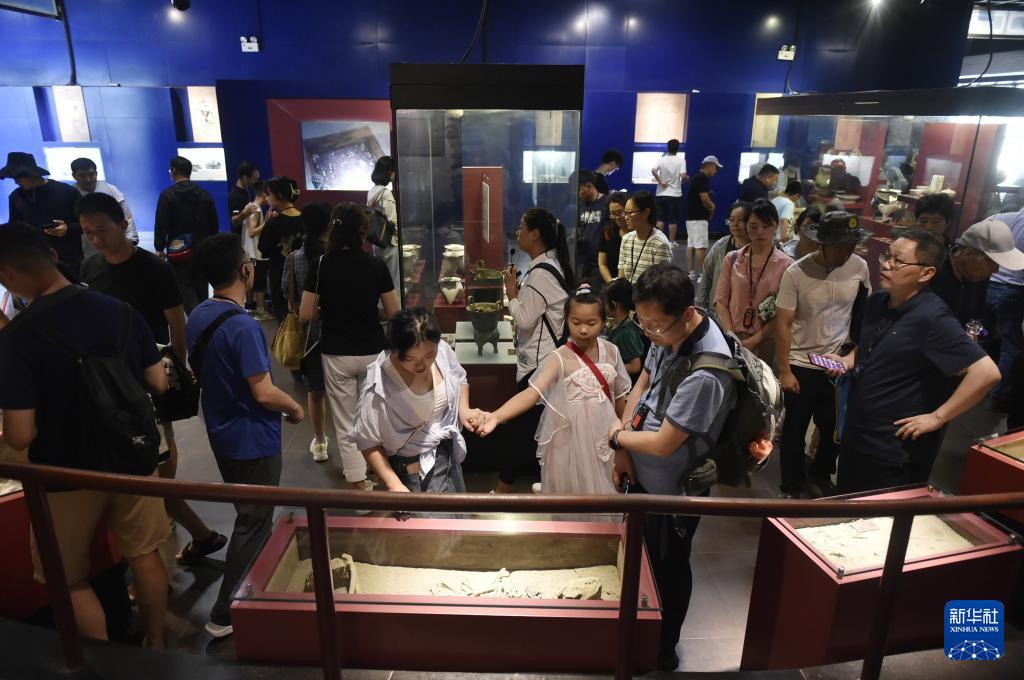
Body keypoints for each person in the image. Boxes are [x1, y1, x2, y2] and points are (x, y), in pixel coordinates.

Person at [0, 221, 170, 648]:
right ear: (53, 256)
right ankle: (156, 648)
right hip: (132, 456)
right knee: (145, 556)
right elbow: (158, 382)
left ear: (8, 275)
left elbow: (20, 434)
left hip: (65, 472)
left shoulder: (18, 337)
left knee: (67, 578)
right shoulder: (120, 311)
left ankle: (104, 662)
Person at [77, 191, 226, 561]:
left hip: (150, 371)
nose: (96, 239)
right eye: (88, 232)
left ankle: (178, 530)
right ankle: (191, 529)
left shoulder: (154, 268)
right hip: (108, 377)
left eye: (102, 230)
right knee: (142, 461)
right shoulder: (89, 268)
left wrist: (178, 364)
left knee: (156, 457)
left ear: (123, 224)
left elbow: (176, 320)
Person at [607, 262, 737, 671]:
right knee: (642, 559)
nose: (648, 333)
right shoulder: (665, 330)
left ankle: (663, 647)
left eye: (655, 326)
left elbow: (664, 444)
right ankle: (639, 631)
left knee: (669, 566)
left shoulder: (707, 370)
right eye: (642, 322)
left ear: (687, 313)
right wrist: (624, 445)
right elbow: (644, 382)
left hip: (674, 488)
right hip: (643, 473)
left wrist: (617, 438)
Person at [187, 233, 304, 639]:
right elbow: (264, 392)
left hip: (221, 430)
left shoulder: (200, 314)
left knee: (250, 513)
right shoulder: (242, 327)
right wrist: (294, 407)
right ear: (245, 270)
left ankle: (260, 586)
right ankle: (226, 613)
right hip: (252, 437)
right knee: (253, 521)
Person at [830, 230, 1000, 493]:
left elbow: (987, 373)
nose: (887, 264)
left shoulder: (933, 318)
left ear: (926, 273)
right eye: (887, 256)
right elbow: (870, 343)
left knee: (879, 516)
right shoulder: (878, 301)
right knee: (844, 506)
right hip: (857, 433)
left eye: (898, 261)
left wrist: (937, 417)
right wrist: (848, 360)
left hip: (892, 450)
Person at [479, 285, 631, 498]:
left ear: (604, 322)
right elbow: (531, 394)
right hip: (571, 442)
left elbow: (620, 399)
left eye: (591, 323)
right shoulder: (559, 357)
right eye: (576, 322)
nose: (583, 330)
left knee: (605, 490)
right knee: (573, 493)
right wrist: (496, 416)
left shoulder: (611, 352)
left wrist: (626, 438)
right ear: (566, 320)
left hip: (605, 435)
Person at [299, 203, 399, 489]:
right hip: (372, 350)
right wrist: (369, 311)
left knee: (345, 420)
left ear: (333, 229)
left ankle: (358, 481)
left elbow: (305, 313)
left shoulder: (321, 265)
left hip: (336, 351)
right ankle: (379, 471)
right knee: (373, 415)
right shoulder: (376, 265)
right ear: (362, 232)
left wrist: (331, 310)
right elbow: (393, 312)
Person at [774, 211, 871, 499]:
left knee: (832, 426)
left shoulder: (859, 267)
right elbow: (783, 323)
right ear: (822, 243)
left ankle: (821, 474)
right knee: (795, 428)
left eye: (850, 246)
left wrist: (853, 354)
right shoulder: (796, 272)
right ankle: (791, 485)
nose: (845, 253)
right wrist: (785, 370)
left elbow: (862, 315)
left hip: (836, 361)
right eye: (839, 246)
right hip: (801, 362)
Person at [350, 309, 485, 493]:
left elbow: (459, 377)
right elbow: (367, 442)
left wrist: (464, 410)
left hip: (447, 456)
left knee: (456, 509)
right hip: (412, 470)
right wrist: (393, 484)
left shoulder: (442, 350)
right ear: (395, 350)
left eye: (428, 355)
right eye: (410, 358)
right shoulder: (379, 388)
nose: (421, 364)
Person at [497, 207, 574, 494]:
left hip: (538, 365)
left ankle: (503, 490)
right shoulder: (551, 264)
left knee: (515, 429)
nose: (517, 231)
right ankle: (551, 482)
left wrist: (511, 293)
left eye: (522, 226)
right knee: (539, 428)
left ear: (535, 234)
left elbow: (523, 319)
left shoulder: (541, 274)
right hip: (545, 360)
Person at [714, 199, 793, 361]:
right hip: (731, 338)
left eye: (766, 226)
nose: (760, 232)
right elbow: (720, 300)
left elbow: (783, 313)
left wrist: (753, 341)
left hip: (765, 341)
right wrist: (731, 336)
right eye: (753, 226)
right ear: (746, 227)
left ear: (776, 226)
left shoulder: (787, 265)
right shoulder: (732, 258)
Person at [283, 202, 331, 462]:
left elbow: (286, 292)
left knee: (315, 392)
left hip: (309, 338)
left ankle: (320, 443)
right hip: (337, 334)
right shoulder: (334, 256)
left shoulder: (294, 258)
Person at [931, 218, 1024, 331]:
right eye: (992, 262)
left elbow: (977, 316)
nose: (996, 270)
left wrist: (974, 332)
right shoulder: (933, 272)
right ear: (968, 253)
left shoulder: (979, 278)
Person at [154, 156, 219, 313]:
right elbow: (213, 223)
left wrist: (159, 247)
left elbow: (161, 223)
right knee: (201, 285)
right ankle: (205, 317)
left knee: (184, 285)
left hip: (178, 250)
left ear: (174, 172)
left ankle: (197, 318)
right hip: (202, 247)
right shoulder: (204, 194)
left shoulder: (167, 195)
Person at [1, 151, 84, 270]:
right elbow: (15, 229)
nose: (16, 182)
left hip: (71, 260)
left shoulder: (67, 191)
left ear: (31, 174)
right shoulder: (15, 197)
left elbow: (86, 224)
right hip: (35, 261)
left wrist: (68, 228)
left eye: (18, 177)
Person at [983, 208, 1024, 411]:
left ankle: (971, 382)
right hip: (1013, 291)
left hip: (987, 283)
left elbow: (977, 236)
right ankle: (998, 395)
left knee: (982, 334)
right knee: (1011, 345)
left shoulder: (1002, 217)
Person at [258, 176, 304, 323]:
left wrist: (267, 223)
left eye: (268, 194)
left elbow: (263, 249)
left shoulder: (274, 223)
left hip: (280, 275)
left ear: (278, 196)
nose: (266, 198)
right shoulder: (305, 218)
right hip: (303, 273)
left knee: (284, 319)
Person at [71, 157, 138, 252]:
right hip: (87, 248)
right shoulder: (70, 195)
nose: (88, 179)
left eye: (91, 174)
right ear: (74, 176)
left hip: (116, 243)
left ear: (96, 173)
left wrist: (131, 239)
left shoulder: (111, 190)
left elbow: (127, 215)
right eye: (82, 175)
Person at [697, 201, 751, 310]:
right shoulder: (720, 246)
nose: (735, 224)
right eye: (732, 220)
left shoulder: (757, 248)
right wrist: (701, 307)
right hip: (719, 310)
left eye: (740, 220)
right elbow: (706, 276)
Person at [619, 190, 671, 284]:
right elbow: (621, 276)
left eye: (630, 213)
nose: (626, 217)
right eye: (625, 213)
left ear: (646, 212)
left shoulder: (660, 244)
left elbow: (660, 284)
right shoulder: (626, 239)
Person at [684, 156, 722, 280]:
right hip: (699, 217)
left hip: (691, 216)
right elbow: (704, 199)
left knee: (691, 244)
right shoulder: (702, 178)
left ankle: (691, 272)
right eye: (715, 168)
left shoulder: (696, 177)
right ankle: (702, 274)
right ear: (710, 165)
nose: (716, 171)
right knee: (700, 246)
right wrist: (712, 207)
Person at [240, 179, 272, 320]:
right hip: (256, 254)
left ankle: (250, 306)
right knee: (260, 283)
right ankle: (260, 310)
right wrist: (267, 222)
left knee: (250, 281)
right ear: (264, 194)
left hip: (248, 252)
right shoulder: (256, 209)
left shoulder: (248, 207)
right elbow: (252, 232)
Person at [603, 277, 645, 381]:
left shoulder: (627, 331)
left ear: (613, 305)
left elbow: (635, 366)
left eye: (604, 301)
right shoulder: (615, 326)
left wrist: (609, 370)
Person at [368, 155, 400, 288]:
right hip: (389, 242)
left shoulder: (372, 191)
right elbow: (393, 220)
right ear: (389, 172)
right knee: (394, 282)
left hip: (377, 240)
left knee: (382, 280)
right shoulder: (386, 193)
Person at [576, 170, 609, 285]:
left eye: (579, 189)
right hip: (583, 261)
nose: (577, 193)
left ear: (588, 186)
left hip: (601, 261)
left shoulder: (607, 203)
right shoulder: (579, 205)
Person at [652, 139, 687, 242]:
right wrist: (685, 179)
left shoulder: (662, 159)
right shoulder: (681, 160)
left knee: (660, 219)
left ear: (668, 148)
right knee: (673, 220)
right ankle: (671, 241)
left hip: (661, 193)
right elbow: (683, 176)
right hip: (675, 194)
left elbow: (653, 170)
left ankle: (659, 240)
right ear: (678, 148)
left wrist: (661, 181)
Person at [597, 191, 630, 284]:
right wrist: (612, 284)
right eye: (613, 214)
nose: (617, 217)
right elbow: (602, 263)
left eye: (620, 212)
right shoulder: (607, 232)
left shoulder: (637, 232)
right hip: (612, 281)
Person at [228, 161, 261, 236]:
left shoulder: (247, 192)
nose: (256, 182)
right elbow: (234, 221)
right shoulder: (235, 196)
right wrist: (244, 213)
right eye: (254, 179)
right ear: (245, 178)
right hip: (241, 238)